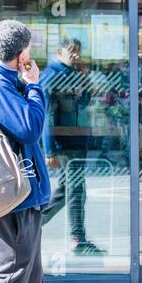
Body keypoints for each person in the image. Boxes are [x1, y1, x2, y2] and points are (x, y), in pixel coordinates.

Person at [0, 20, 50, 283]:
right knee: (11, 277)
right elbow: (29, 129)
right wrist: (34, 85)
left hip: (18, 196)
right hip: (12, 199)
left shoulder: (3, 81)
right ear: (21, 56)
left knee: (30, 276)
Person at [40, 38, 105, 255]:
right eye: (71, 51)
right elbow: (47, 115)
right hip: (65, 143)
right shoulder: (51, 75)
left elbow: (83, 103)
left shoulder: (75, 73)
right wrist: (50, 150)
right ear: (59, 52)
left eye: (78, 50)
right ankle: (79, 239)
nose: (76, 54)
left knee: (68, 189)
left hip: (78, 140)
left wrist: (85, 78)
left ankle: (32, 225)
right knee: (75, 190)